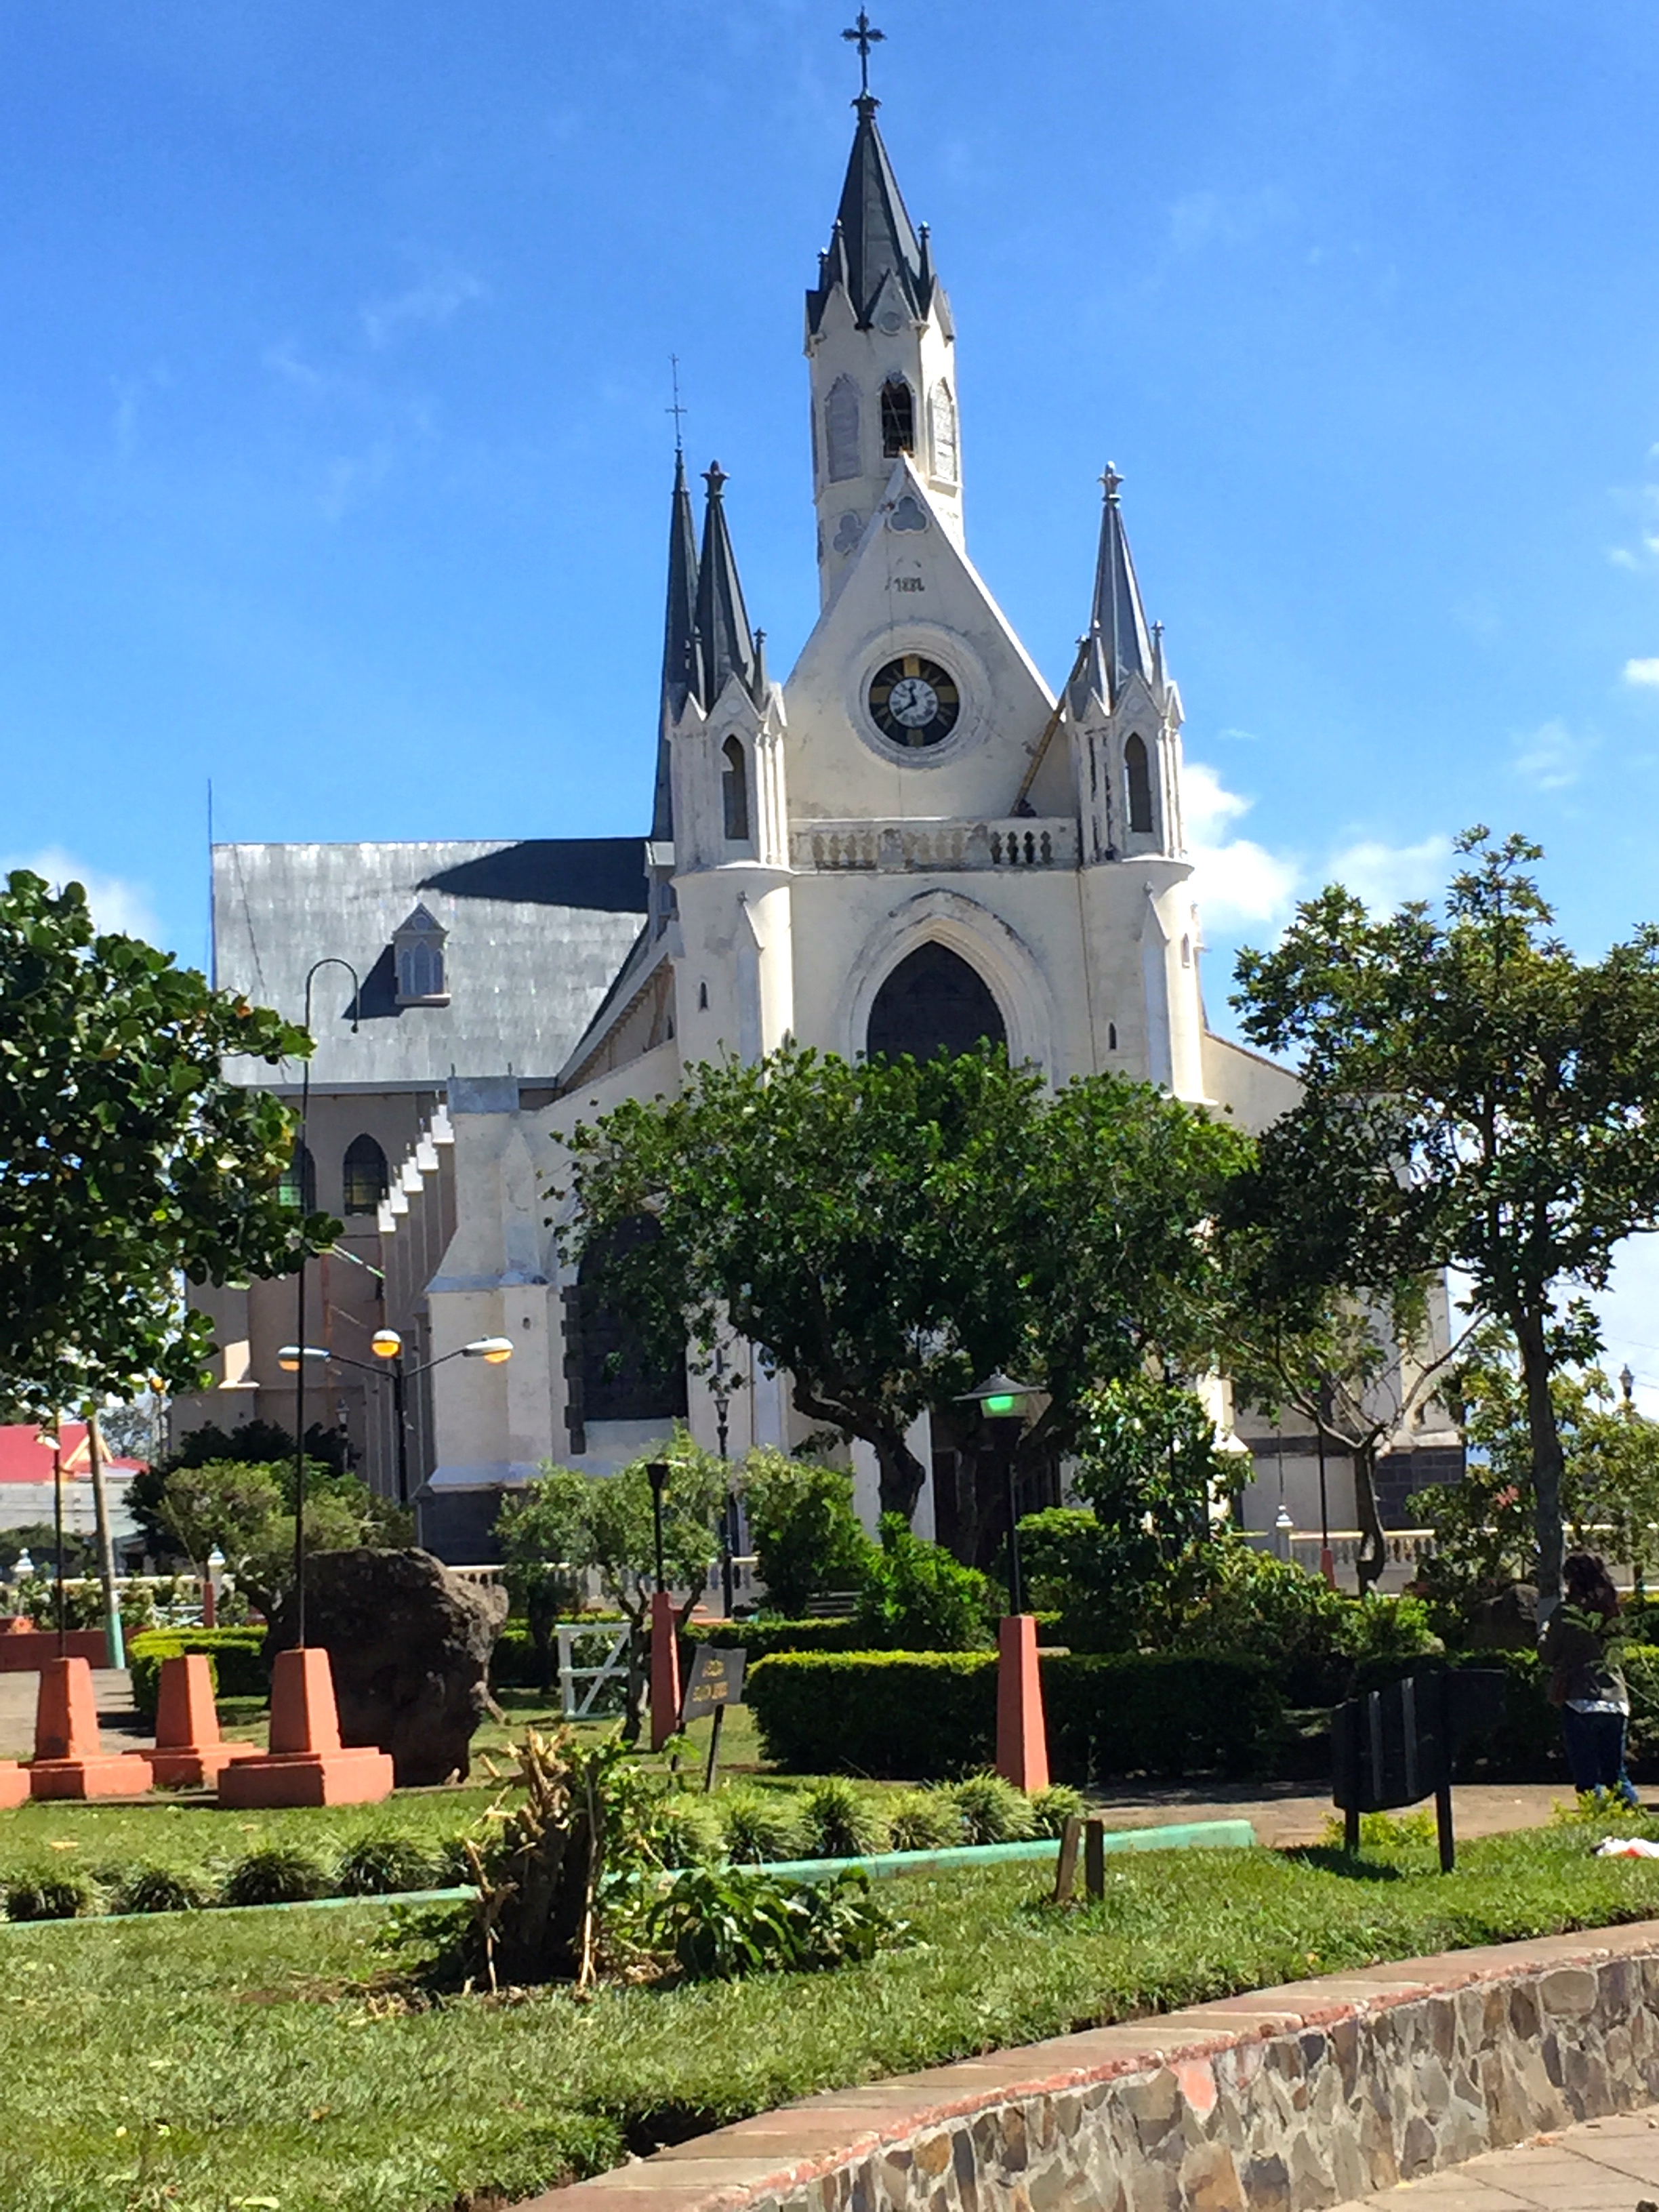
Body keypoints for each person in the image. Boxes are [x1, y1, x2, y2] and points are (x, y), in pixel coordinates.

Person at [1542, 1552, 1640, 1808]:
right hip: (1617, 1698)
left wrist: (1543, 1633)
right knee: (1616, 1774)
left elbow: (1548, 1655)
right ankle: (1631, 1812)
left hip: (1580, 1699)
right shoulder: (1612, 1609)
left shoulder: (1567, 1612)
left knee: (1587, 1775)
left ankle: (1593, 1816)